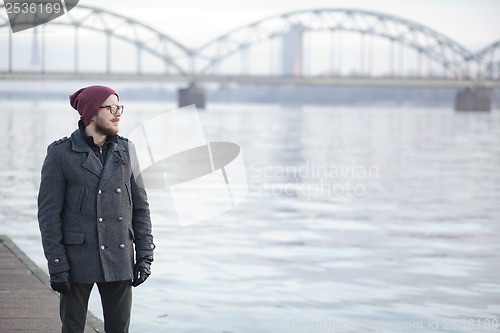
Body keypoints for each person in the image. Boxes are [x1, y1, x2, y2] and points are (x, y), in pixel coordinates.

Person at [37, 85, 155, 333]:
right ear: (91, 113)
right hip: (76, 259)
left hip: (120, 256)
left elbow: (140, 206)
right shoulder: (60, 154)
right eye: (111, 108)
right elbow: (49, 216)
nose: (117, 113)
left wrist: (145, 255)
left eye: (119, 107)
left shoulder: (127, 149)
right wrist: (57, 264)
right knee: (72, 328)